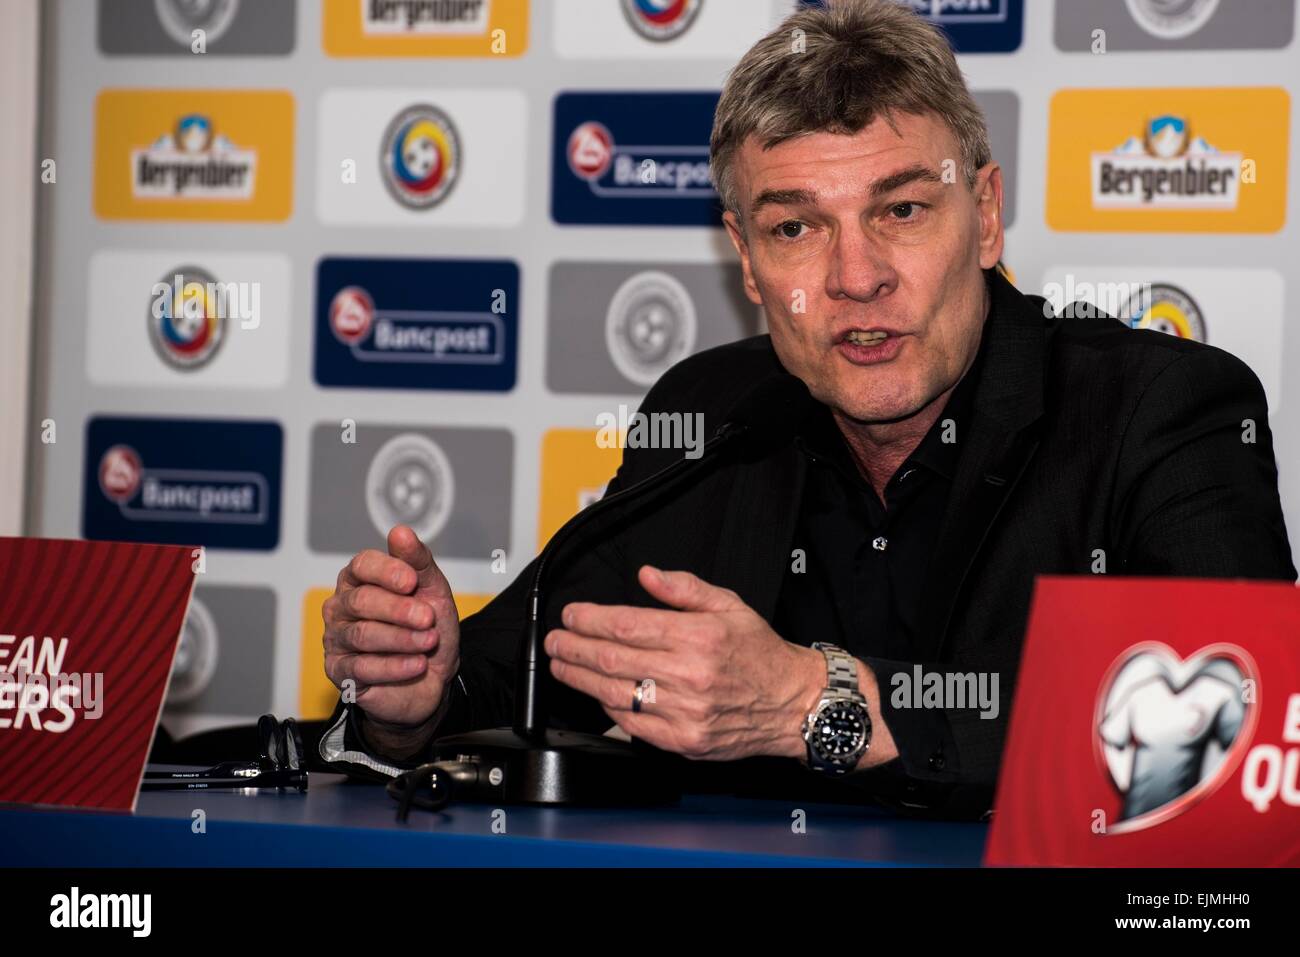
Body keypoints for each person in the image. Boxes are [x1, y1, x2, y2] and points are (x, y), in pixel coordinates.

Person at [316, 0, 1295, 817]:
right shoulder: (709, 411)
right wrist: (418, 688)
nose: (856, 277)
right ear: (745, 258)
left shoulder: (1159, 408)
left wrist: (825, 705)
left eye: (901, 211)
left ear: (985, 215)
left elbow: (1236, 728)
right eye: (795, 228)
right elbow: (535, 651)